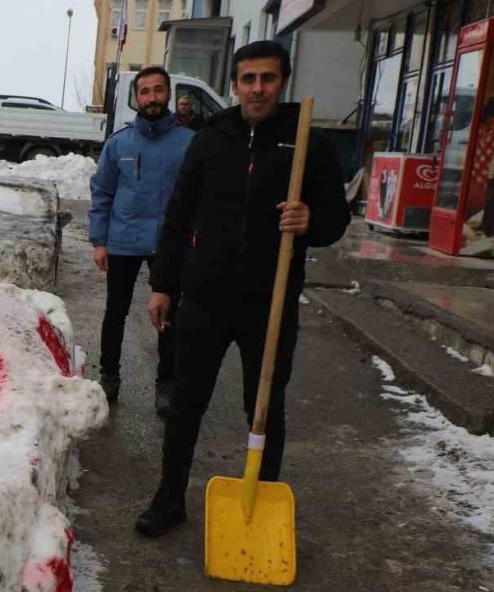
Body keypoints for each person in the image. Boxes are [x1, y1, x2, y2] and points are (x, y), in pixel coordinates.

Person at [136, 41, 350, 537]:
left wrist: (310, 221)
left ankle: (260, 497)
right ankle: (169, 499)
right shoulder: (210, 139)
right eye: (248, 79)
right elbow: (178, 217)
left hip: (268, 301)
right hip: (205, 297)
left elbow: (337, 218)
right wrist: (164, 284)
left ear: (283, 81)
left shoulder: (306, 144)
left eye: (268, 78)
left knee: (265, 406)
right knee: (187, 402)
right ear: (235, 85)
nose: (258, 88)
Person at [88, 66, 195, 415]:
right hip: (123, 241)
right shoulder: (119, 143)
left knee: (168, 315)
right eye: (145, 91)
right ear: (137, 97)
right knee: (115, 312)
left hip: (168, 244)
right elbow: (102, 192)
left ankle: (167, 383)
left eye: (158, 90)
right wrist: (100, 241)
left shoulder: (189, 143)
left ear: (168, 93)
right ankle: (109, 375)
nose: (152, 97)